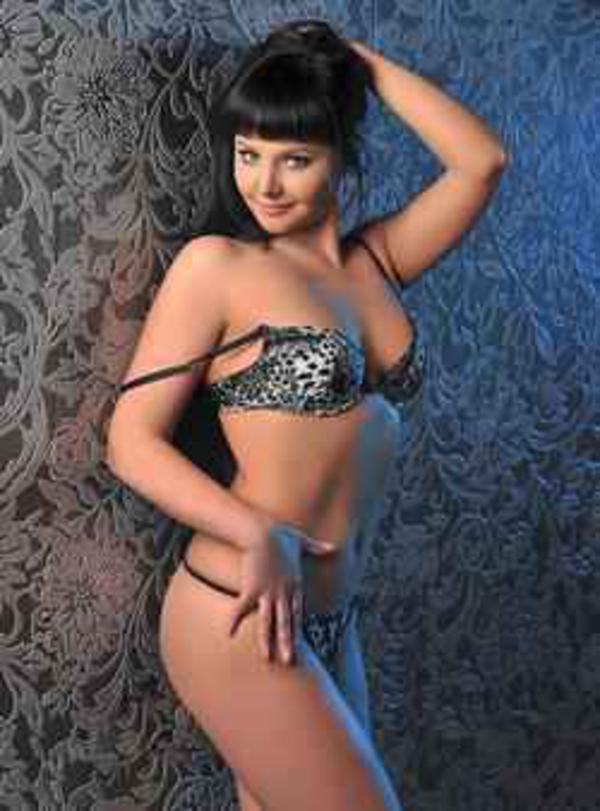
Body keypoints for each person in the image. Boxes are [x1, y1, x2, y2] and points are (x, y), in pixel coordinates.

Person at [105, 18, 507, 811]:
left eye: (295, 158)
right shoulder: (219, 267)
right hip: (238, 605)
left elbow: (482, 161)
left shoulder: (372, 264)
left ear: (340, 154)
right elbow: (130, 439)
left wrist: (356, 64)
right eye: (248, 154)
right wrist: (256, 530)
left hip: (329, 619)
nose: (264, 183)